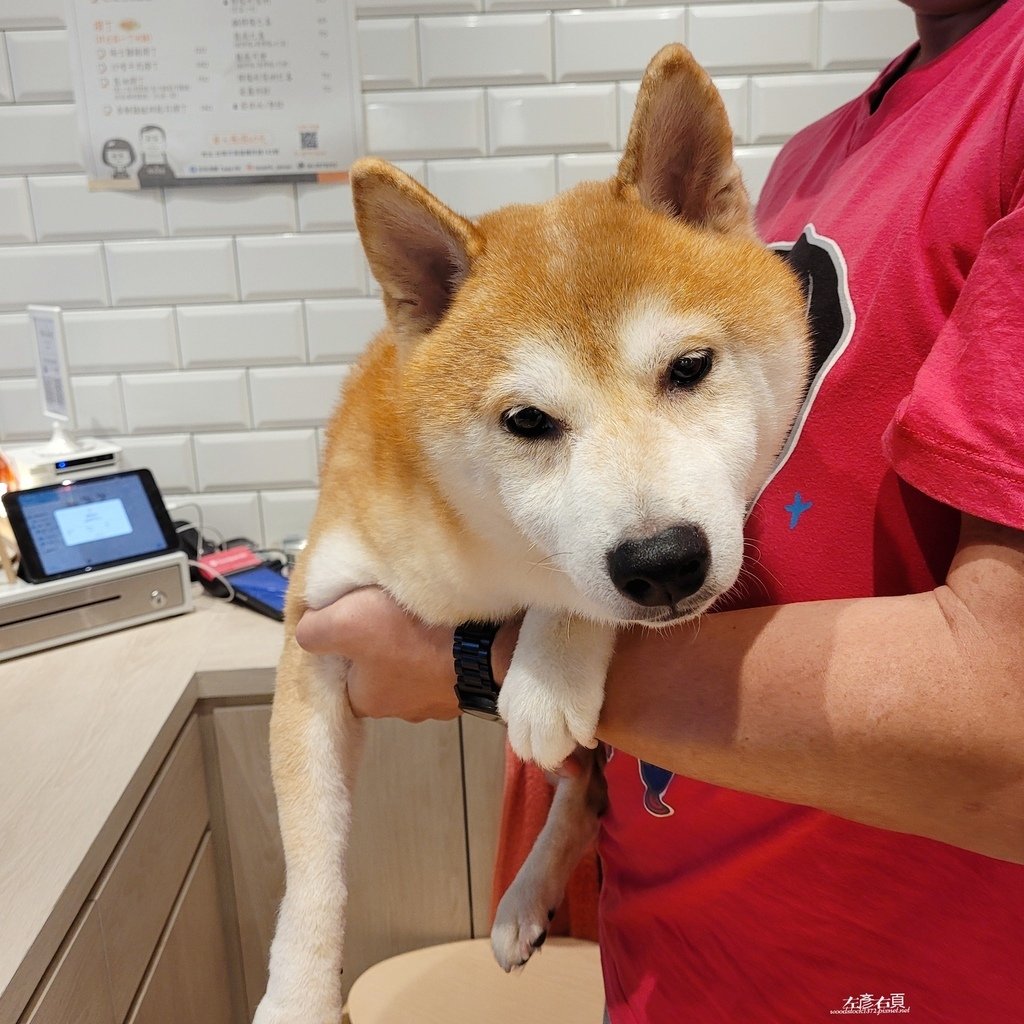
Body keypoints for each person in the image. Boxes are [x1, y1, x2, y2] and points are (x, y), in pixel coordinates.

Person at [296, 1, 1024, 1020]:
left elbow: (1009, 717)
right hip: (667, 961)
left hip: (902, 980)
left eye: (686, 370)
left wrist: (480, 658)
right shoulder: (821, 154)